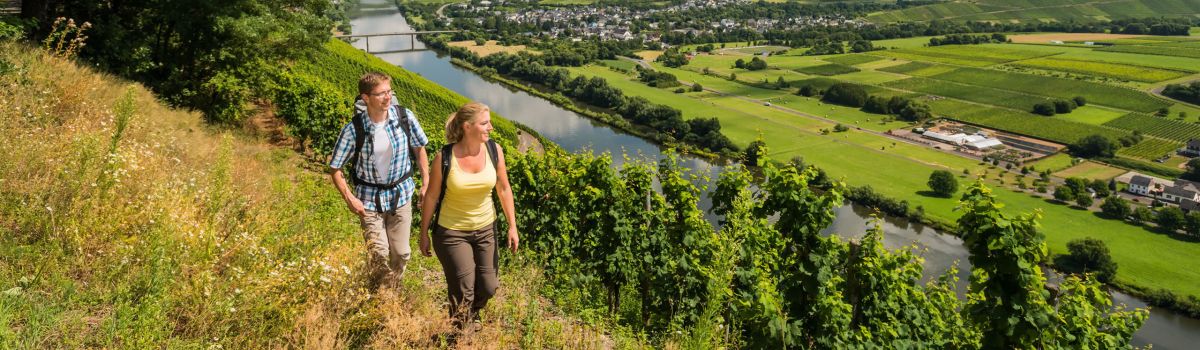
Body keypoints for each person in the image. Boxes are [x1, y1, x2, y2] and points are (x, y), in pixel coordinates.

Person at [419, 102, 519, 332]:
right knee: (464, 289)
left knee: (489, 286)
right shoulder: (444, 157)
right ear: (467, 126)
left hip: (485, 229)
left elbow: (504, 189)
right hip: (452, 232)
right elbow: (432, 196)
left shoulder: (495, 151)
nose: (491, 127)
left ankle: (469, 315)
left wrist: (512, 226)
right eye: (485, 123)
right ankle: (461, 335)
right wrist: (423, 232)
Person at [329, 72, 429, 290]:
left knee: (401, 252)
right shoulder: (354, 129)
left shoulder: (404, 117)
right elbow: (335, 168)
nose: (388, 97)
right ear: (366, 98)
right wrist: (349, 198)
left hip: (401, 195)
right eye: (381, 93)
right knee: (379, 252)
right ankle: (382, 296)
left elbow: (420, 148)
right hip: (368, 200)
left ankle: (391, 288)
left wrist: (426, 182)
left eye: (389, 91)